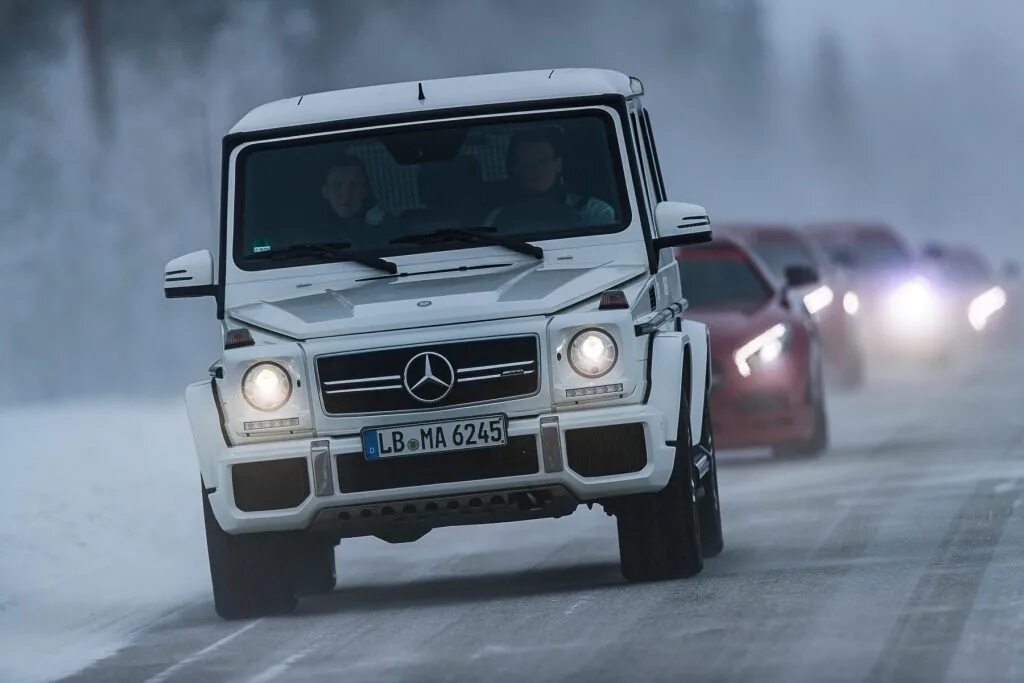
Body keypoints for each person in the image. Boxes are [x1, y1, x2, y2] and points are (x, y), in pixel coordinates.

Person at [489, 127, 615, 228]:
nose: (536, 169)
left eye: (543, 161)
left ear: (558, 165)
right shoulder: (498, 218)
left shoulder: (595, 212)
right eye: (528, 162)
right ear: (514, 169)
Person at [320, 155, 391, 233]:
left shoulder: (388, 229)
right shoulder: (309, 233)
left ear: (365, 191)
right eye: (337, 185)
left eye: (353, 185)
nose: (346, 194)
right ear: (325, 191)